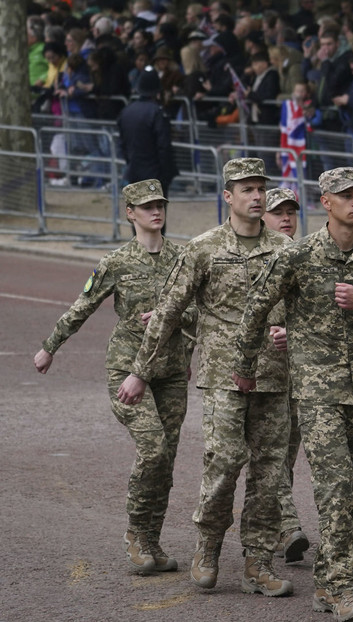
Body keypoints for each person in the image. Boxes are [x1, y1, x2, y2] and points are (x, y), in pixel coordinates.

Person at [231, 166, 353, 622]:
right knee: (336, 487)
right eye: (347, 195)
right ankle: (340, 589)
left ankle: (326, 583)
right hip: (317, 390)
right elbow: (256, 308)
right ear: (326, 202)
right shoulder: (299, 257)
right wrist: (243, 365)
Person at [117, 158, 294, 598]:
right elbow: (168, 314)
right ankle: (208, 546)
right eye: (246, 189)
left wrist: (292, 329)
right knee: (225, 461)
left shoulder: (287, 250)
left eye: (260, 188)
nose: (256, 196)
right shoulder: (204, 248)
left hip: (275, 376)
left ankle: (258, 562)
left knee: (271, 474)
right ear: (228, 196)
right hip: (222, 376)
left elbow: (308, 308)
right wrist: (140, 371)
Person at [34, 180, 192, 575]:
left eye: (160, 204)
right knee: (153, 448)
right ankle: (136, 535)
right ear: (130, 213)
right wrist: (49, 346)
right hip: (127, 368)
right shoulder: (116, 262)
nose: (156, 211)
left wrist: (172, 321)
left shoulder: (184, 258)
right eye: (146, 206)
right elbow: (82, 305)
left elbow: (201, 312)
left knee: (166, 460)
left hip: (170, 371)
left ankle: (153, 541)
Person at [260, 188, 312, 565]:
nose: (286, 218)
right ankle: (287, 527)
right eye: (278, 212)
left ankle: (272, 527)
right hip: (263, 375)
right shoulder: (254, 257)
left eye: (291, 212)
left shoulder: (310, 257)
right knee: (272, 455)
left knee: (286, 456)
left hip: (305, 375)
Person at [118, 68, 178, 193]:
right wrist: (166, 174)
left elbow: (122, 144)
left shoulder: (126, 111)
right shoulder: (157, 113)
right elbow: (164, 146)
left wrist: (131, 163)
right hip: (154, 174)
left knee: (138, 209)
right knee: (155, 211)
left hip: (133, 172)